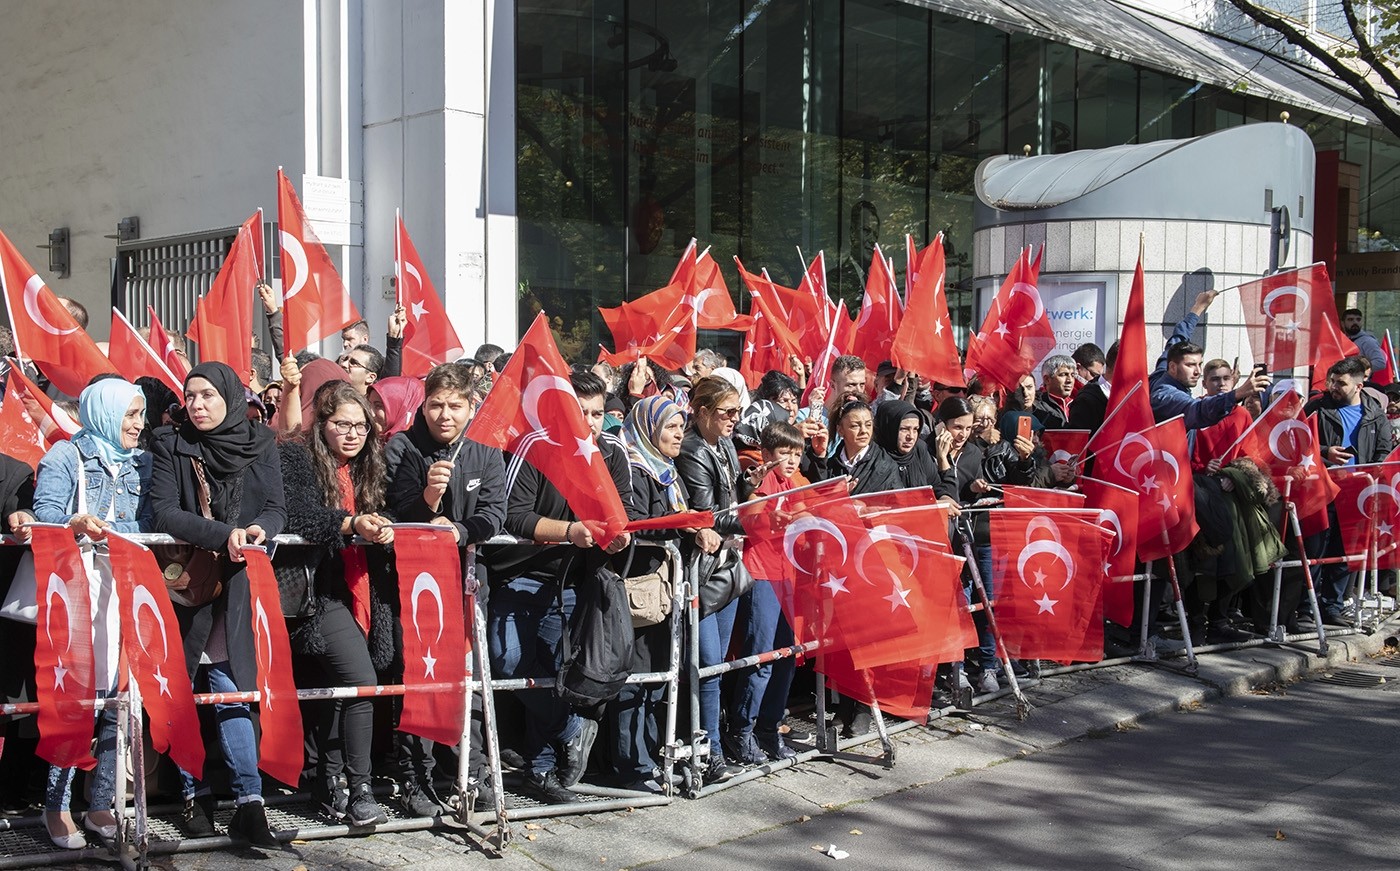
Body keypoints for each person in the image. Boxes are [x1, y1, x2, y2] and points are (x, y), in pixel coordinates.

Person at [149, 362, 287, 847]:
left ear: (229, 396)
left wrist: (258, 531)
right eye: (191, 397)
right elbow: (164, 510)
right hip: (188, 584)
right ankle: (194, 794)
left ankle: (250, 804)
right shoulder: (170, 443)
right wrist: (221, 534)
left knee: (233, 688)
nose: (199, 405)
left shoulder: (259, 441)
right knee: (182, 691)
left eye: (208, 395)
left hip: (240, 584)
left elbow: (275, 507)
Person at [486, 370, 633, 803]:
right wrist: (569, 530)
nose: (589, 422)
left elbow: (623, 513)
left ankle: (541, 771)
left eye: (597, 413)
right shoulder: (535, 448)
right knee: (507, 661)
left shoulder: (613, 453)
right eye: (580, 411)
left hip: (572, 584)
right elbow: (514, 517)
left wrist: (619, 534)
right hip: (520, 578)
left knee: (550, 673)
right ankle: (572, 727)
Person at [32, 378, 149, 848]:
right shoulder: (66, 456)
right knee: (75, 700)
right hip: (76, 592)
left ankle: (101, 803)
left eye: (141, 415)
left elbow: (153, 519)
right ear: (104, 412)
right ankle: (55, 808)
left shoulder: (145, 463)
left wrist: (111, 529)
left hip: (124, 590)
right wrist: (74, 525)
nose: (139, 426)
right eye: (130, 415)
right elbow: (46, 513)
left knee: (116, 703)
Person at [385, 363, 505, 816]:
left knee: (468, 677)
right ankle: (414, 776)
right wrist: (427, 500)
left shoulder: (485, 449)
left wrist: (458, 530)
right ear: (423, 405)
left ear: (471, 406)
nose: (445, 414)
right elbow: (391, 509)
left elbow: (494, 514)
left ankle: (472, 770)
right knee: (419, 676)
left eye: (455, 405)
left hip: (468, 581)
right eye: (436, 404)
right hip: (414, 583)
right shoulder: (402, 446)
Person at [279, 381, 394, 826]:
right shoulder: (297, 458)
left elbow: (388, 512)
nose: (352, 434)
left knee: (339, 693)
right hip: (317, 593)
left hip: (361, 589)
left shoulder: (370, 465)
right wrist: (350, 524)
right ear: (321, 424)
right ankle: (361, 788)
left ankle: (332, 784)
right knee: (358, 681)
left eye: (361, 426)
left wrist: (383, 529)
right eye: (342, 424)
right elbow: (297, 515)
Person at [932, 395, 1037, 693]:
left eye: (968, 428)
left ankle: (988, 666)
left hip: (979, 536)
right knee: (960, 606)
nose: (963, 434)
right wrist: (944, 463)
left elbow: (999, 484)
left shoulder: (975, 453)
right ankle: (958, 667)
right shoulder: (932, 452)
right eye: (957, 427)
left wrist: (978, 487)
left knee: (989, 600)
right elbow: (945, 493)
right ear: (943, 425)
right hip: (949, 542)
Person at [612, 395, 689, 791]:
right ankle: (631, 765)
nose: (679, 434)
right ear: (648, 430)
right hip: (638, 590)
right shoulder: (637, 470)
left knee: (656, 677)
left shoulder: (665, 471)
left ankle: (650, 754)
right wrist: (682, 524)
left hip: (661, 591)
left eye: (680, 426)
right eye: (671, 427)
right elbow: (638, 525)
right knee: (635, 679)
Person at [675, 376, 748, 783]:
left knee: (715, 665)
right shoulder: (692, 449)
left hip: (726, 565)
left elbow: (731, 499)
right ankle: (706, 753)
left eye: (738, 412)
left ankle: (712, 748)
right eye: (728, 412)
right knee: (705, 663)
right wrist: (757, 516)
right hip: (701, 570)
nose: (735, 419)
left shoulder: (723, 445)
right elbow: (707, 515)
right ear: (702, 412)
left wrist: (750, 490)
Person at [724, 420, 805, 765]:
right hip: (762, 574)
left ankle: (769, 729)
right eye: (785, 453)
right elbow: (752, 518)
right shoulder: (760, 480)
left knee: (786, 657)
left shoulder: (793, 483)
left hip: (788, 575)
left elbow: (810, 515)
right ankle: (740, 731)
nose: (792, 460)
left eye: (797, 453)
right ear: (767, 453)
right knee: (761, 659)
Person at [1305, 356, 1394, 623]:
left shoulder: (1375, 413)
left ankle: (1333, 605)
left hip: (1357, 491)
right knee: (1316, 548)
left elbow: (1384, 450)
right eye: (1331, 381)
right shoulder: (1317, 407)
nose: (1333, 386)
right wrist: (1325, 452)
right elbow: (1299, 441)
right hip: (1323, 487)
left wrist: (1374, 472)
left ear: (1359, 385)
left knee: (1345, 551)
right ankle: (1308, 605)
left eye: (1340, 383)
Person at [809, 398, 902, 494]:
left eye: (868, 425)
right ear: (840, 430)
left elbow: (896, 503)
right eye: (855, 426)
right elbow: (818, 496)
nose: (864, 431)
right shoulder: (832, 464)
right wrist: (819, 455)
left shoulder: (885, 466)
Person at [1191, 360, 1253, 472]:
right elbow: (1184, 453)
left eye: (1226, 378)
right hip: (1202, 482)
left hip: (1234, 482)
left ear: (1232, 380)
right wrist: (1203, 469)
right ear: (1204, 384)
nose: (1222, 383)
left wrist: (1236, 475)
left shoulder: (1242, 414)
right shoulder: (1196, 411)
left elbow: (1251, 452)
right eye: (1215, 379)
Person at [874, 400, 938, 488]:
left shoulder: (919, 448)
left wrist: (944, 496)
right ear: (889, 428)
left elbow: (936, 485)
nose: (911, 437)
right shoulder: (874, 455)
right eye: (904, 429)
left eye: (915, 429)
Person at [367, 376, 426, 442]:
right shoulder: (364, 441)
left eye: (378, 406)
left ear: (401, 409)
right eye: (368, 405)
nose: (370, 413)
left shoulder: (411, 448)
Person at [1032, 355, 1075, 430]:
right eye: (1063, 374)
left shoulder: (1077, 404)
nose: (1070, 380)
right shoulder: (1035, 405)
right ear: (1047, 379)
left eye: (1073, 375)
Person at [1342, 308, 1386, 374]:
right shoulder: (1341, 340)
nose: (1355, 322)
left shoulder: (1367, 341)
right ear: (1342, 323)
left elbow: (1380, 362)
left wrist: (1356, 371)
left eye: (1358, 319)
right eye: (1350, 320)